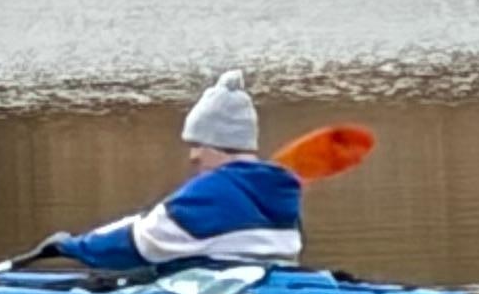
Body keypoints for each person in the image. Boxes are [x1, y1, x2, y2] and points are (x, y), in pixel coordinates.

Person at [40, 73, 301, 273]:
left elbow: (139, 242)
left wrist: (71, 247)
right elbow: (152, 223)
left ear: (222, 143)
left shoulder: (209, 194)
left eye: (199, 145)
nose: (193, 156)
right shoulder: (280, 191)